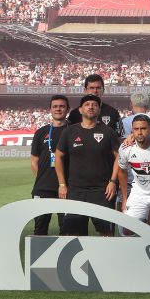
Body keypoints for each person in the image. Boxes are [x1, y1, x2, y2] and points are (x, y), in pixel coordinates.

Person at [54, 95, 121, 236]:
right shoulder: (69, 132)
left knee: (106, 234)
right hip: (75, 191)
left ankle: (106, 258)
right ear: (80, 110)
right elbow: (58, 157)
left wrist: (113, 181)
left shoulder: (108, 132)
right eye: (87, 104)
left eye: (94, 105)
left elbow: (119, 157)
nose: (91, 107)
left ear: (98, 110)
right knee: (74, 235)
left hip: (102, 192)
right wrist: (62, 184)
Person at [29, 95, 69, 235]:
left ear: (67, 109)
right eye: (55, 106)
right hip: (43, 188)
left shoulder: (73, 131)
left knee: (67, 229)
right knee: (40, 229)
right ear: (50, 109)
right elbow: (34, 160)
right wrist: (41, 178)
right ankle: (39, 257)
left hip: (67, 189)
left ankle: (66, 257)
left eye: (62, 106)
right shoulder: (41, 132)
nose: (58, 109)